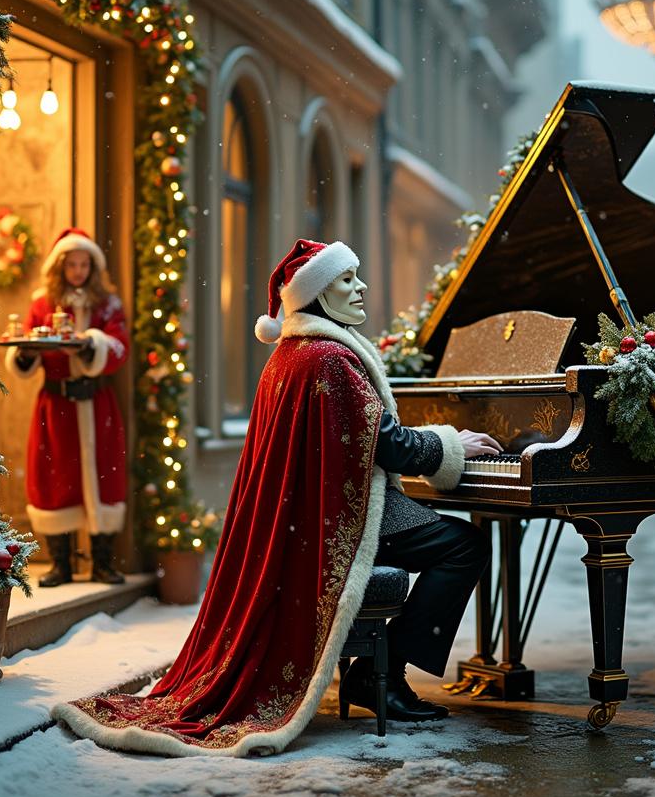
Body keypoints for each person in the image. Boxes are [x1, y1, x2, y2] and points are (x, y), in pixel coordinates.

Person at [52, 239, 501, 757]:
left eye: (357, 277)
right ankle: (385, 677)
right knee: (462, 544)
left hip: (317, 511)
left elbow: (362, 437)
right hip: (334, 518)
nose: (361, 288)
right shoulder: (328, 357)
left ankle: (378, 670)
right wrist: (452, 445)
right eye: (347, 281)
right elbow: (386, 443)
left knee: (448, 537)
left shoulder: (293, 352)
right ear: (317, 295)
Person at [5, 228, 129, 586]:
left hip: (97, 403)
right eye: (71, 264)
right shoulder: (43, 303)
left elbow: (119, 347)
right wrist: (26, 352)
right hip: (55, 404)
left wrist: (91, 345)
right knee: (55, 476)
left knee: (104, 477)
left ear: (92, 266)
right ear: (60, 266)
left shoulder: (107, 304)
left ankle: (102, 561)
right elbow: (27, 343)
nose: (77, 271)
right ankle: (61, 563)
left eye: (83, 264)